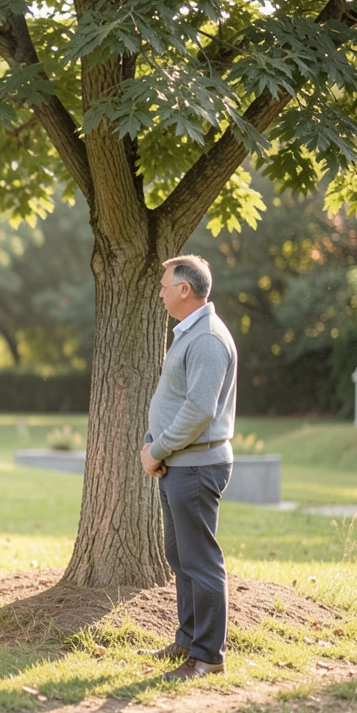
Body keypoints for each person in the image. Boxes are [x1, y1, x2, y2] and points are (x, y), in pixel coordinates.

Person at [137, 254, 238, 681]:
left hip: (196, 467)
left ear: (185, 289)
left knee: (200, 561)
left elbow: (199, 409)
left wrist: (158, 448)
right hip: (178, 462)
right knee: (180, 556)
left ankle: (208, 656)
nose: (160, 293)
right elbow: (176, 398)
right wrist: (156, 447)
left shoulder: (208, 339)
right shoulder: (190, 333)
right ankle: (188, 639)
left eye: (165, 286)